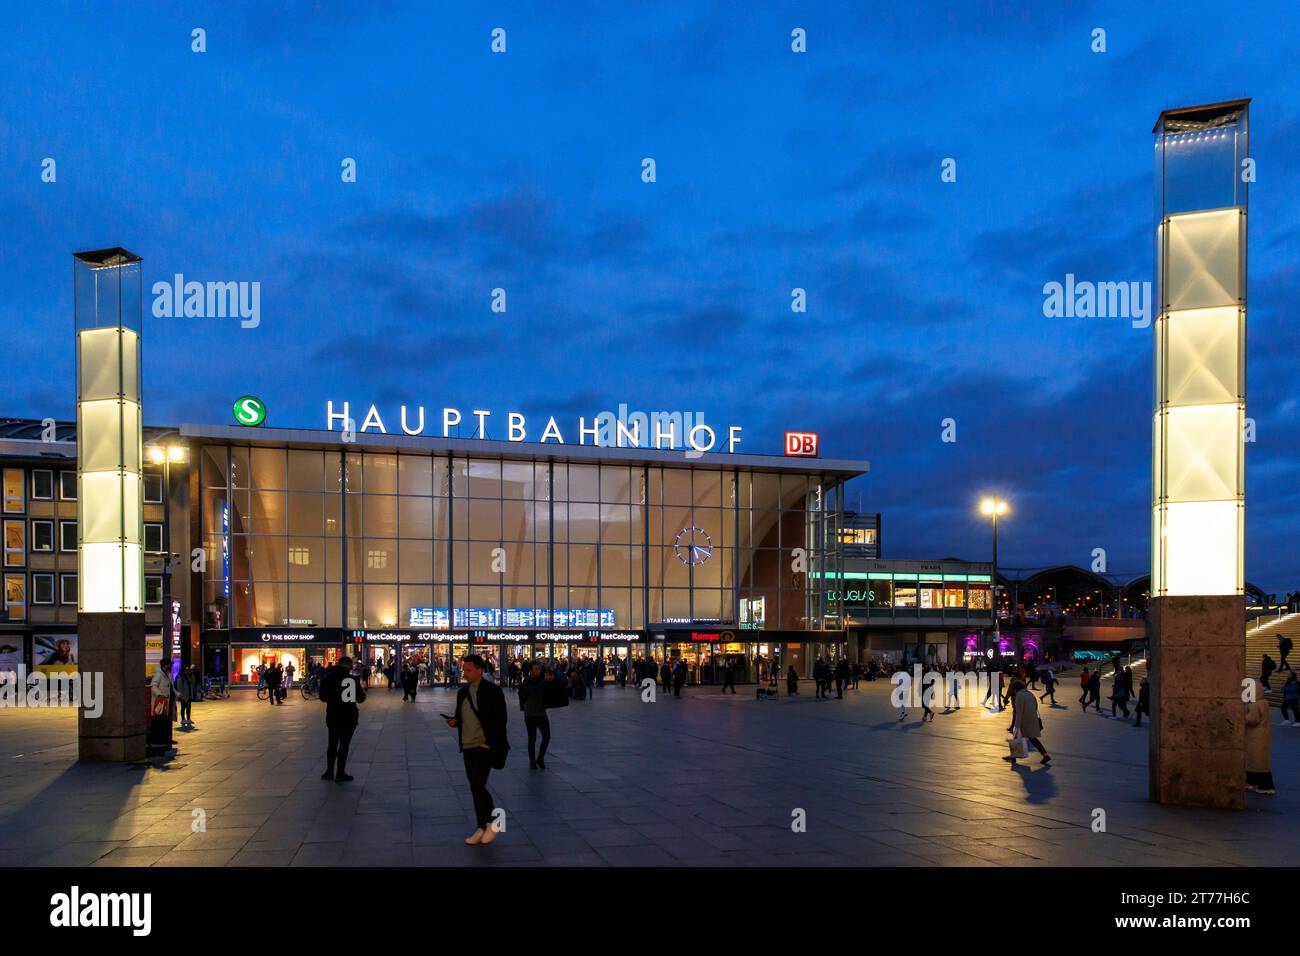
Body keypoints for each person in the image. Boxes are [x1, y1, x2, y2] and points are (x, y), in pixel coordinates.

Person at [444, 655, 508, 846]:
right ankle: (482, 825)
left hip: (484, 746)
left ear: (480, 669)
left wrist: (490, 743)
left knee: (477, 785)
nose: (465, 672)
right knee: (474, 785)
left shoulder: (492, 691)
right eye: (464, 669)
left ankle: (494, 822)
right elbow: (460, 716)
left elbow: (500, 720)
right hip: (468, 746)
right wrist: (454, 722)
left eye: (469, 669)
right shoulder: (462, 692)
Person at [320, 655, 365, 782]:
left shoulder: (329, 678)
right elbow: (361, 698)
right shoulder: (351, 679)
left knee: (332, 744)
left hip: (333, 715)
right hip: (349, 716)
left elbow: (322, 696)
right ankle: (340, 773)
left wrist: (333, 698)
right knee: (344, 745)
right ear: (347, 665)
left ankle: (329, 772)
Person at [1003, 680, 1050, 766]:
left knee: (1016, 736)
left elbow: (1019, 712)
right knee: (1033, 739)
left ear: (1015, 689)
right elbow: (1036, 705)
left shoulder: (1019, 695)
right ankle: (1045, 755)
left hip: (1024, 720)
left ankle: (1013, 757)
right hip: (1033, 718)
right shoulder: (1029, 693)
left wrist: (1016, 725)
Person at [518, 661, 552, 769]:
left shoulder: (543, 680)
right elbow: (532, 689)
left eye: (539, 668)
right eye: (536, 668)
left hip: (541, 712)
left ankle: (540, 757)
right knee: (532, 738)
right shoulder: (527, 682)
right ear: (531, 670)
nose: (538, 670)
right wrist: (544, 682)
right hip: (530, 713)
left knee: (546, 736)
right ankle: (532, 761)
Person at [1245, 696, 1276, 795]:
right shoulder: (1264, 702)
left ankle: (1266, 786)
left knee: (1257, 761)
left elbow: (1252, 719)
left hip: (1255, 735)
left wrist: (1241, 716)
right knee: (1256, 760)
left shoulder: (1255, 704)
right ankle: (1250, 780)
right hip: (1263, 734)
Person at [149, 656, 174, 750]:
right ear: (165, 665)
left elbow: (171, 687)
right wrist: (160, 694)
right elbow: (153, 686)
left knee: (166, 720)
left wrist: (177, 694)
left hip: (167, 701)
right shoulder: (159, 674)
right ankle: (159, 740)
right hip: (159, 702)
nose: (170, 666)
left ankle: (166, 739)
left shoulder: (168, 674)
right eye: (169, 664)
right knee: (159, 720)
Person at [175, 665, 195, 731]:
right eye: (186, 670)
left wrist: (191, 675)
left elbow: (193, 682)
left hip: (189, 694)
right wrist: (181, 696)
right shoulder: (180, 677)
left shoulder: (188, 677)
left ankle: (188, 719)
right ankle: (183, 719)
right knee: (183, 707)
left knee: (189, 707)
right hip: (183, 695)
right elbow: (179, 687)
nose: (187, 671)